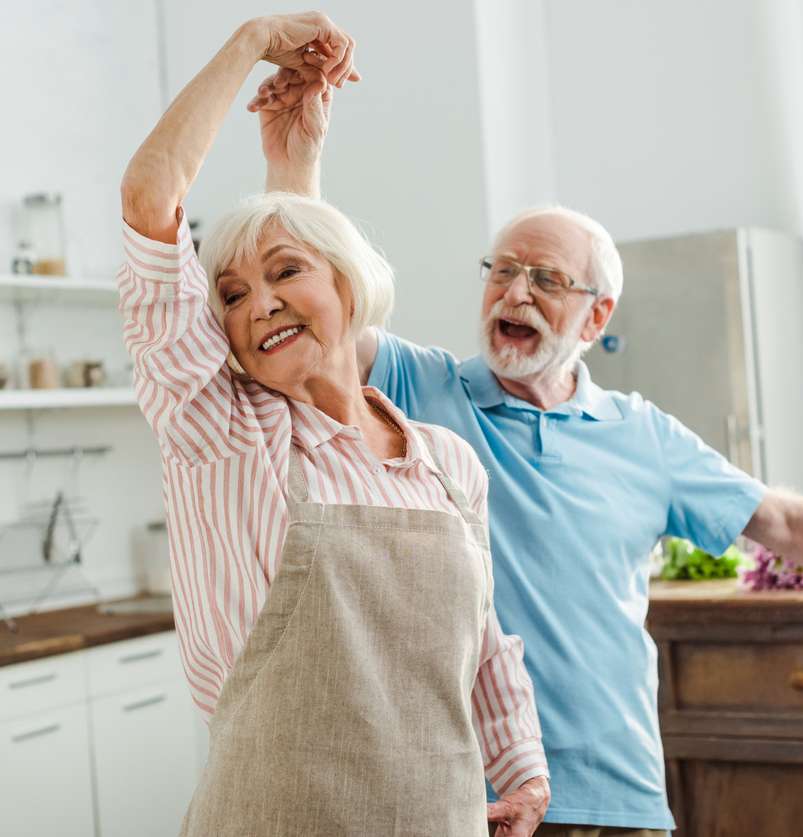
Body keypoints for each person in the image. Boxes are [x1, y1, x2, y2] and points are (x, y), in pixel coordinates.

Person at [251, 51, 803, 837]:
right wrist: (295, 161)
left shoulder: (641, 433)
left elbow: (787, 525)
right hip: (464, 797)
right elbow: (317, 315)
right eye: (502, 271)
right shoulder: (421, 388)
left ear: (596, 318)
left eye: (546, 279)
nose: (514, 292)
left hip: (621, 797)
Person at [119, 13, 550, 837]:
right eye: (232, 297)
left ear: (351, 288)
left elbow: (484, 646)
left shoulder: (448, 464)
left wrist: (523, 769)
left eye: (285, 274)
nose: (260, 303)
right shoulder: (224, 434)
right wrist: (251, 43)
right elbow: (150, 198)